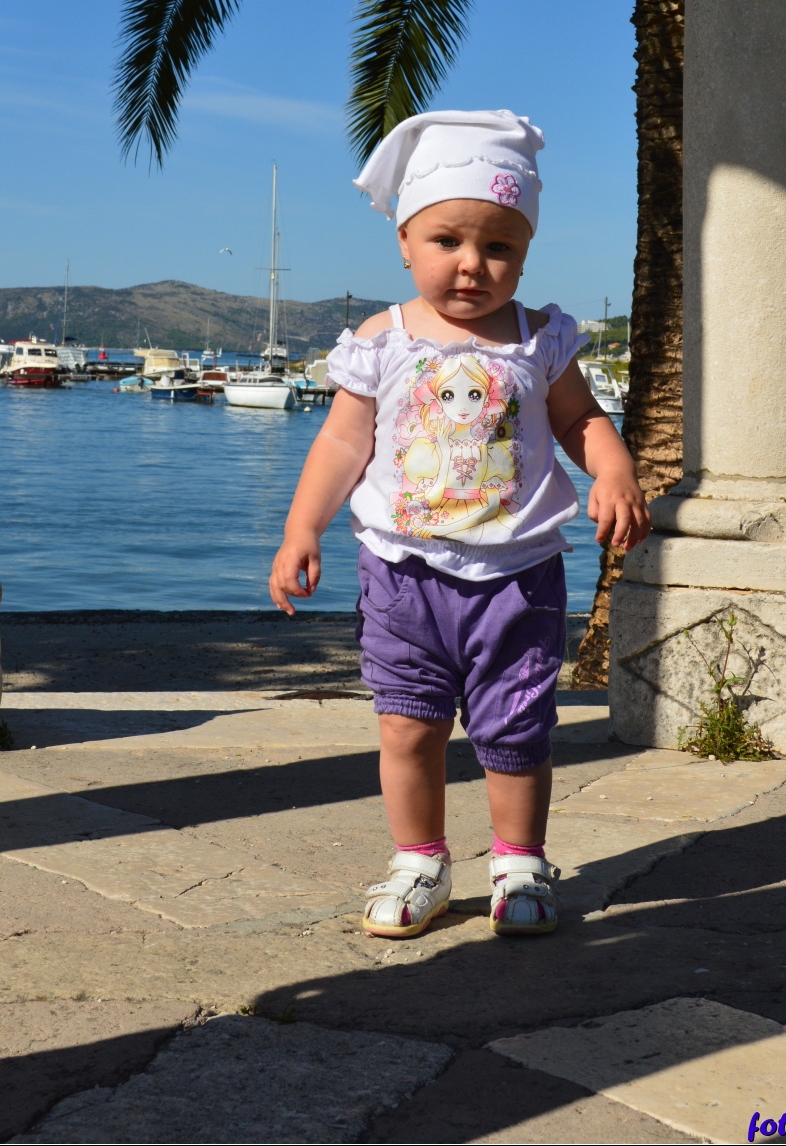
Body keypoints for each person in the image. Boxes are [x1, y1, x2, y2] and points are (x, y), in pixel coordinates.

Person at [269, 109, 650, 939]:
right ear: (405, 241)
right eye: (448, 241)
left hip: (518, 576)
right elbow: (342, 443)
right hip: (401, 573)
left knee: (516, 728)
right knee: (407, 724)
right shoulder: (384, 339)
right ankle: (420, 861)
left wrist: (614, 469)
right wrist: (304, 529)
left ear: (526, 251)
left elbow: (581, 419)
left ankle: (520, 861)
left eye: (499, 246)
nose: (473, 263)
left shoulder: (539, 340)